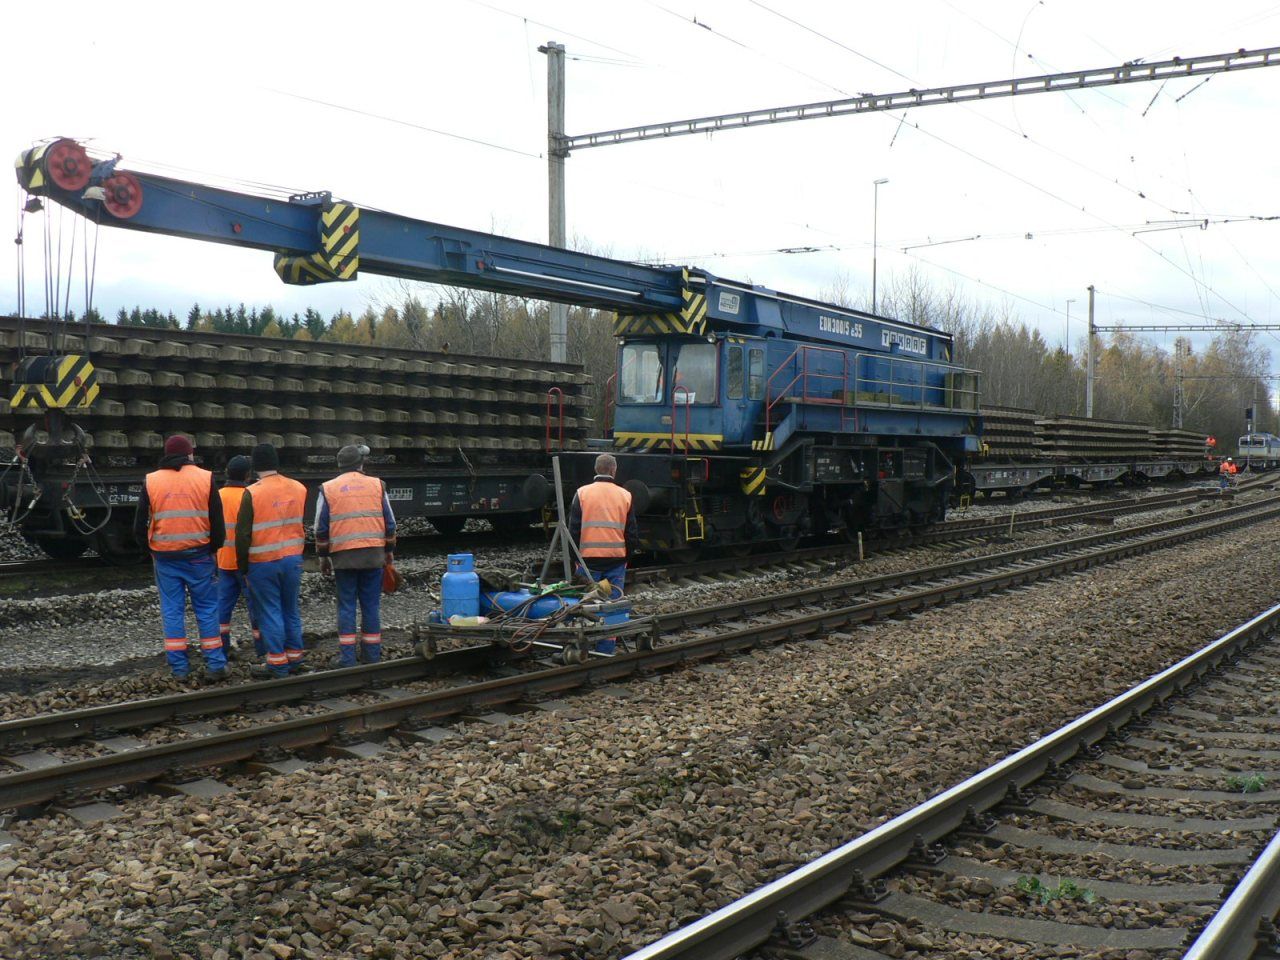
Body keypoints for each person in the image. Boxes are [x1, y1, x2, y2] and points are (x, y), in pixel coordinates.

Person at [133, 434, 228, 682]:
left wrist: (149, 549)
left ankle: (179, 669)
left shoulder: (152, 480)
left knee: (172, 610)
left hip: (165, 557)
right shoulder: (205, 478)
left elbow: (138, 524)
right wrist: (214, 548)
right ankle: (215, 664)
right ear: (189, 455)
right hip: (199, 555)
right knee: (207, 609)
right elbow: (218, 522)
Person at [314, 444, 398, 667]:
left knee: (346, 606)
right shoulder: (378, 485)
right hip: (373, 556)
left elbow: (320, 528)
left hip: (343, 557)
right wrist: (388, 552)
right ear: (361, 464)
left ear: (340, 465)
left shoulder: (328, 488)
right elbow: (390, 524)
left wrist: (324, 557)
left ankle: (347, 658)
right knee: (371, 605)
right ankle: (372, 656)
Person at [236, 443, 309, 679]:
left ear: (255, 466)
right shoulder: (298, 487)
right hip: (293, 559)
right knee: (291, 609)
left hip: (263, 562)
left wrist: (243, 567)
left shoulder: (252, 492)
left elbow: (243, 535)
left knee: (270, 611)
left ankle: (277, 663)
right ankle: (295, 657)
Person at [568, 453, 640, 652]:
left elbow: (573, 529)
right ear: (613, 470)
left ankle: (582, 645)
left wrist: (576, 559)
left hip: (588, 561)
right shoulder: (625, 495)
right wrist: (626, 557)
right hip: (615, 561)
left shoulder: (582, 493)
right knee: (613, 603)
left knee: (584, 603)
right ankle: (606, 648)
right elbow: (631, 533)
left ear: (596, 469)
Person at [215, 455, 261, 660]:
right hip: (247, 563)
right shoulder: (250, 495)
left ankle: (221, 648)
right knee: (255, 606)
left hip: (224, 561)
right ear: (248, 475)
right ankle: (262, 649)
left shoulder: (217, 495)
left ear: (227, 473)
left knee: (222, 607)